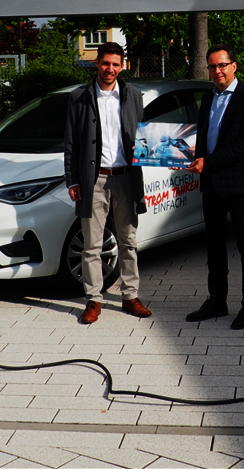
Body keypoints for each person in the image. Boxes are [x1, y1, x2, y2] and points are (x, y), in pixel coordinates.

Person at [64, 42, 152, 324]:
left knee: (128, 241)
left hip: (126, 177)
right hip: (94, 180)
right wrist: (72, 180)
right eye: (105, 63)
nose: (110, 69)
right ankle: (93, 299)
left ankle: (130, 296)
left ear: (122, 66)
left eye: (115, 64)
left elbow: (144, 136)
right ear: (96, 63)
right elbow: (71, 143)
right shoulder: (79, 96)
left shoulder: (133, 95)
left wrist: (155, 153)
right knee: (92, 244)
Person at [185, 44, 244, 329]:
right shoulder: (208, 98)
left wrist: (208, 162)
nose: (217, 71)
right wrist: (185, 156)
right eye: (212, 66)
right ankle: (217, 301)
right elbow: (205, 138)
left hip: (239, 185)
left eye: (222, 65)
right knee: (214, 247)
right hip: (212, 185)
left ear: (234, 66)